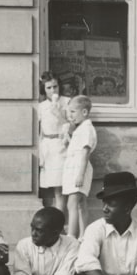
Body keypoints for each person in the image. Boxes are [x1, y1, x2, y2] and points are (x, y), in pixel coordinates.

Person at [63, 94, 95, 239]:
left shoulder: (87, 129)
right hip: (74, 168)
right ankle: (83, 236)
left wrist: (80, 174)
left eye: (73, 112)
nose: (70, 116)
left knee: (72, 203)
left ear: (84, 112)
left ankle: (71, 236)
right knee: (81, 203)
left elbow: (85, 153)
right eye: (69, 112)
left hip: (78, 169)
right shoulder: (80, 129)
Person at [37, 72, 70, 212]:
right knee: (46, 188)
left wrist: (59, 115)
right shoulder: (41, 106)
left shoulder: (66, 102)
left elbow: (72, 126)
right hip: (47, 146)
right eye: (49, 88)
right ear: (44, 89)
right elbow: (39, 131)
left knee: (59, 189)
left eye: (55, 87)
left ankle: (60, 221)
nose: (53, 91)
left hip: (60, 145)